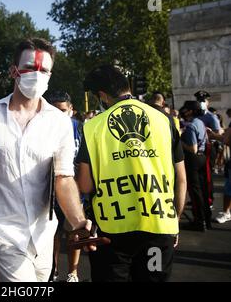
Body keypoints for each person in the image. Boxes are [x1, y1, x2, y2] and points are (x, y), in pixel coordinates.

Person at [0, 38, 91, 282]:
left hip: (43, 234)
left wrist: (78, 220)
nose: (37, 75)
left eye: (44, 70)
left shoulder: (59, 122)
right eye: (30, 67)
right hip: (2, 231)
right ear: (13, 71)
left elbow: (64, 177)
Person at [77, 65, 187, 282]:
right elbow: (181, 179)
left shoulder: (93, 127)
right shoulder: (163, 120)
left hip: (111, 231)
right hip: (159, 225)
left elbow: (85, 185)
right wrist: (174, 220)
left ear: (102, 95)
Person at [47, 90, 83, 282]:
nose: (58, 114)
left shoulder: (80, 128)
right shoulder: (43, 129)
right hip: (49, 192)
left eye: (62, 110)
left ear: (71, 110)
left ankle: (73, 272)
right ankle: (53, 271)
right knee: (52, 234)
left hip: (74, 191)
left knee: (74, 234)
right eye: (54, 110)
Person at [180, 101, 211, 231]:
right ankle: (206, 219)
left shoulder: (192, 125)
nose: (184, 111)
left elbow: (193, 148)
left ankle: (199, 221)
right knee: (203, 190)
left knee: (195, 192)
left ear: (190, 111)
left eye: (186, 109)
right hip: (202, 157)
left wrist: (181, 142)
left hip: (193, 159)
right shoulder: (200, 122)